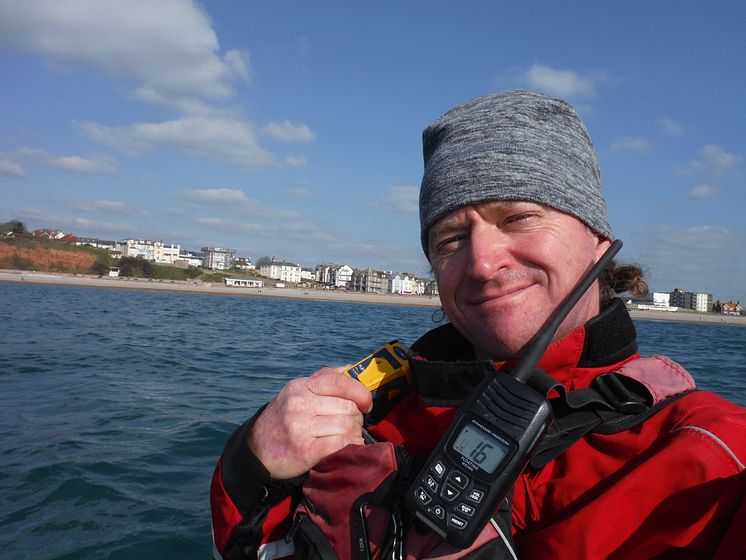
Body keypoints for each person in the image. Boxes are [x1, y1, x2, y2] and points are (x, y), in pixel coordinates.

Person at [210, 90, 746, 559]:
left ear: (599, 244)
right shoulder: (371, 418)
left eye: (518, 217)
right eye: (449, 238)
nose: (483, 263)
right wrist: (250, 467)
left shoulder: (711, 452)